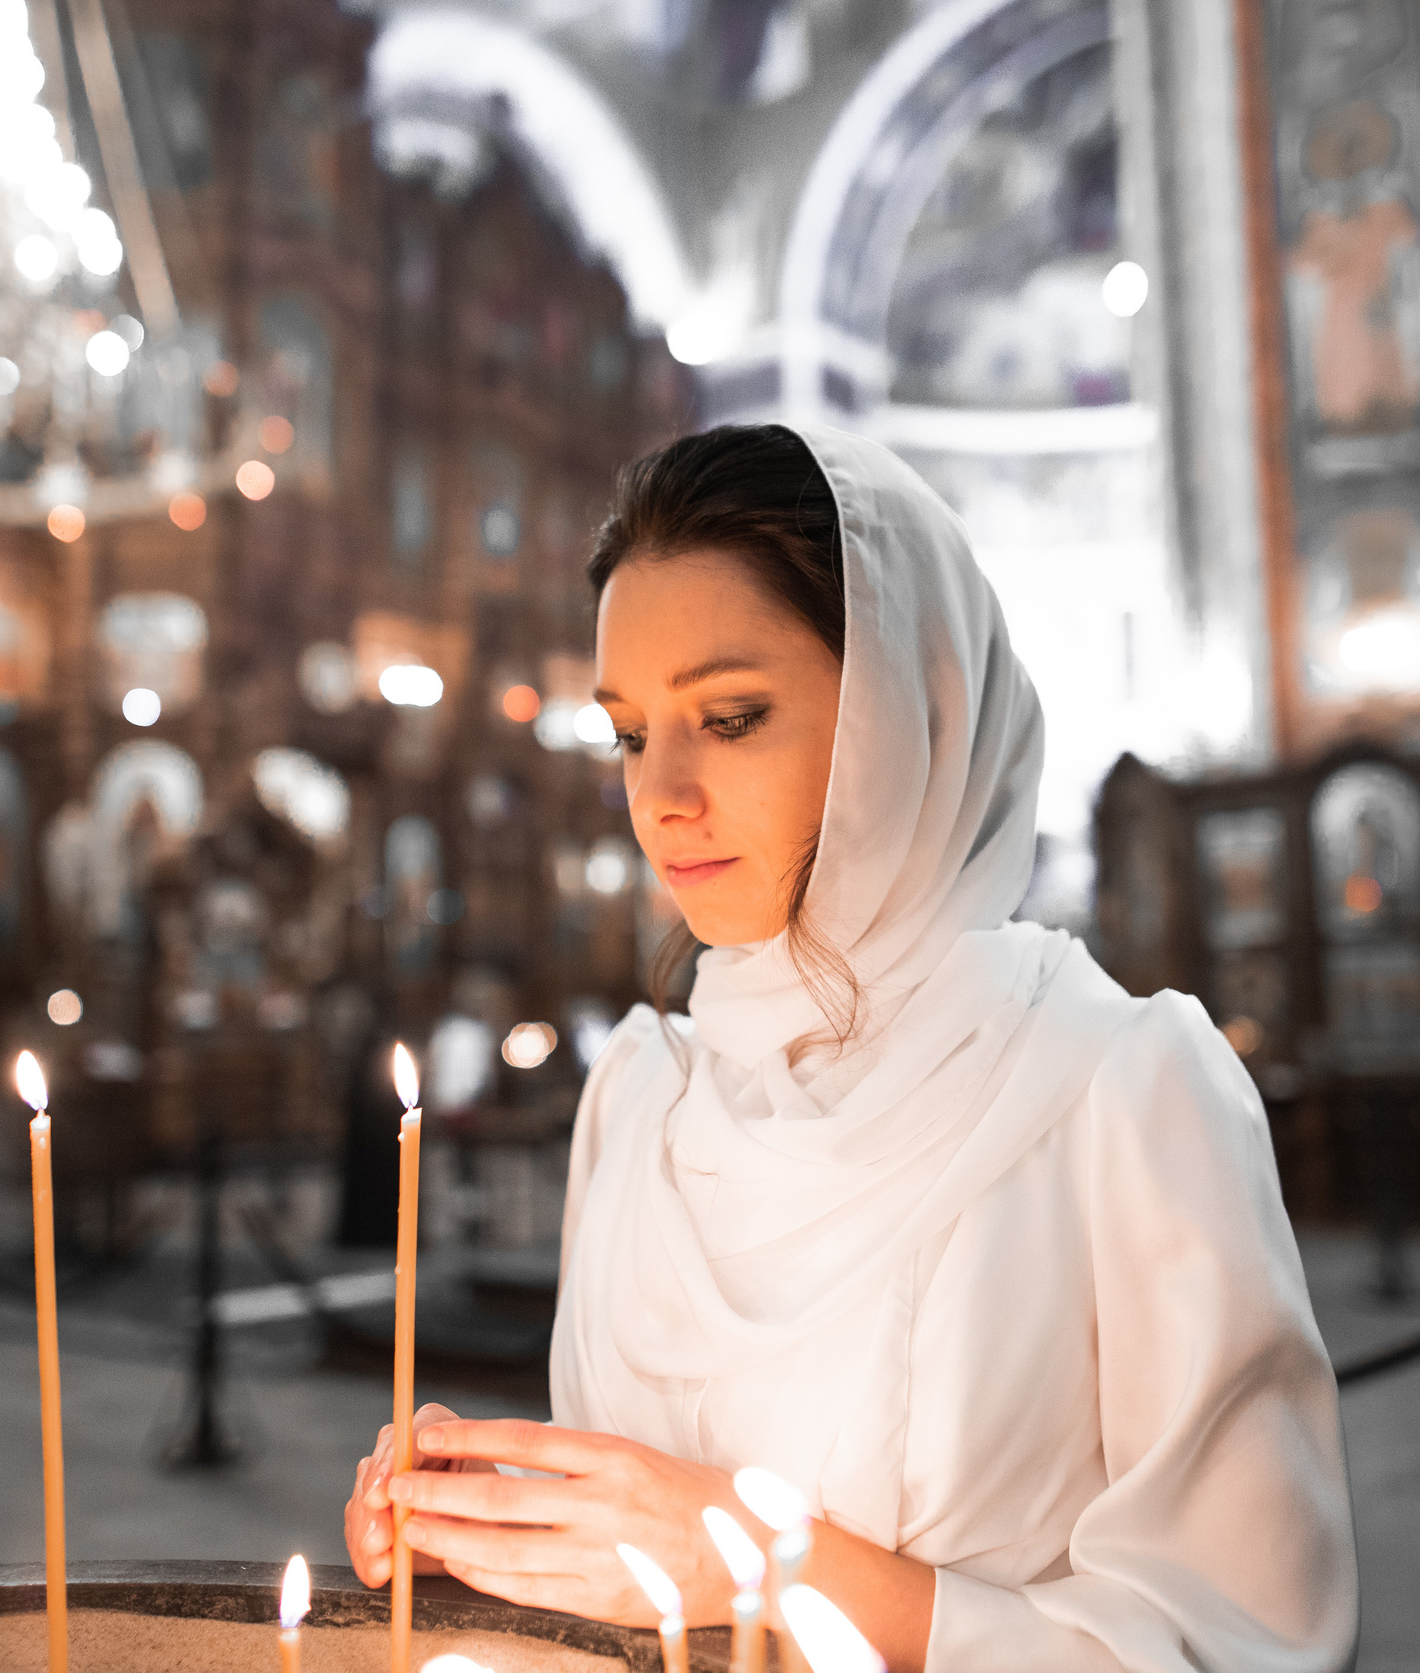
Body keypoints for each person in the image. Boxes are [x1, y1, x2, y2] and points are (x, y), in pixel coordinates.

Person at [343, 425, 1357, 1671]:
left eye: (730, 716)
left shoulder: (1119, 1088)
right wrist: (495, 1537)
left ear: (907, 712)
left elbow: (1243, 1644)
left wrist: (761, 1558)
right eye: (625, 732)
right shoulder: (641, 1098)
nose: (658, 794)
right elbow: (630, 1582)